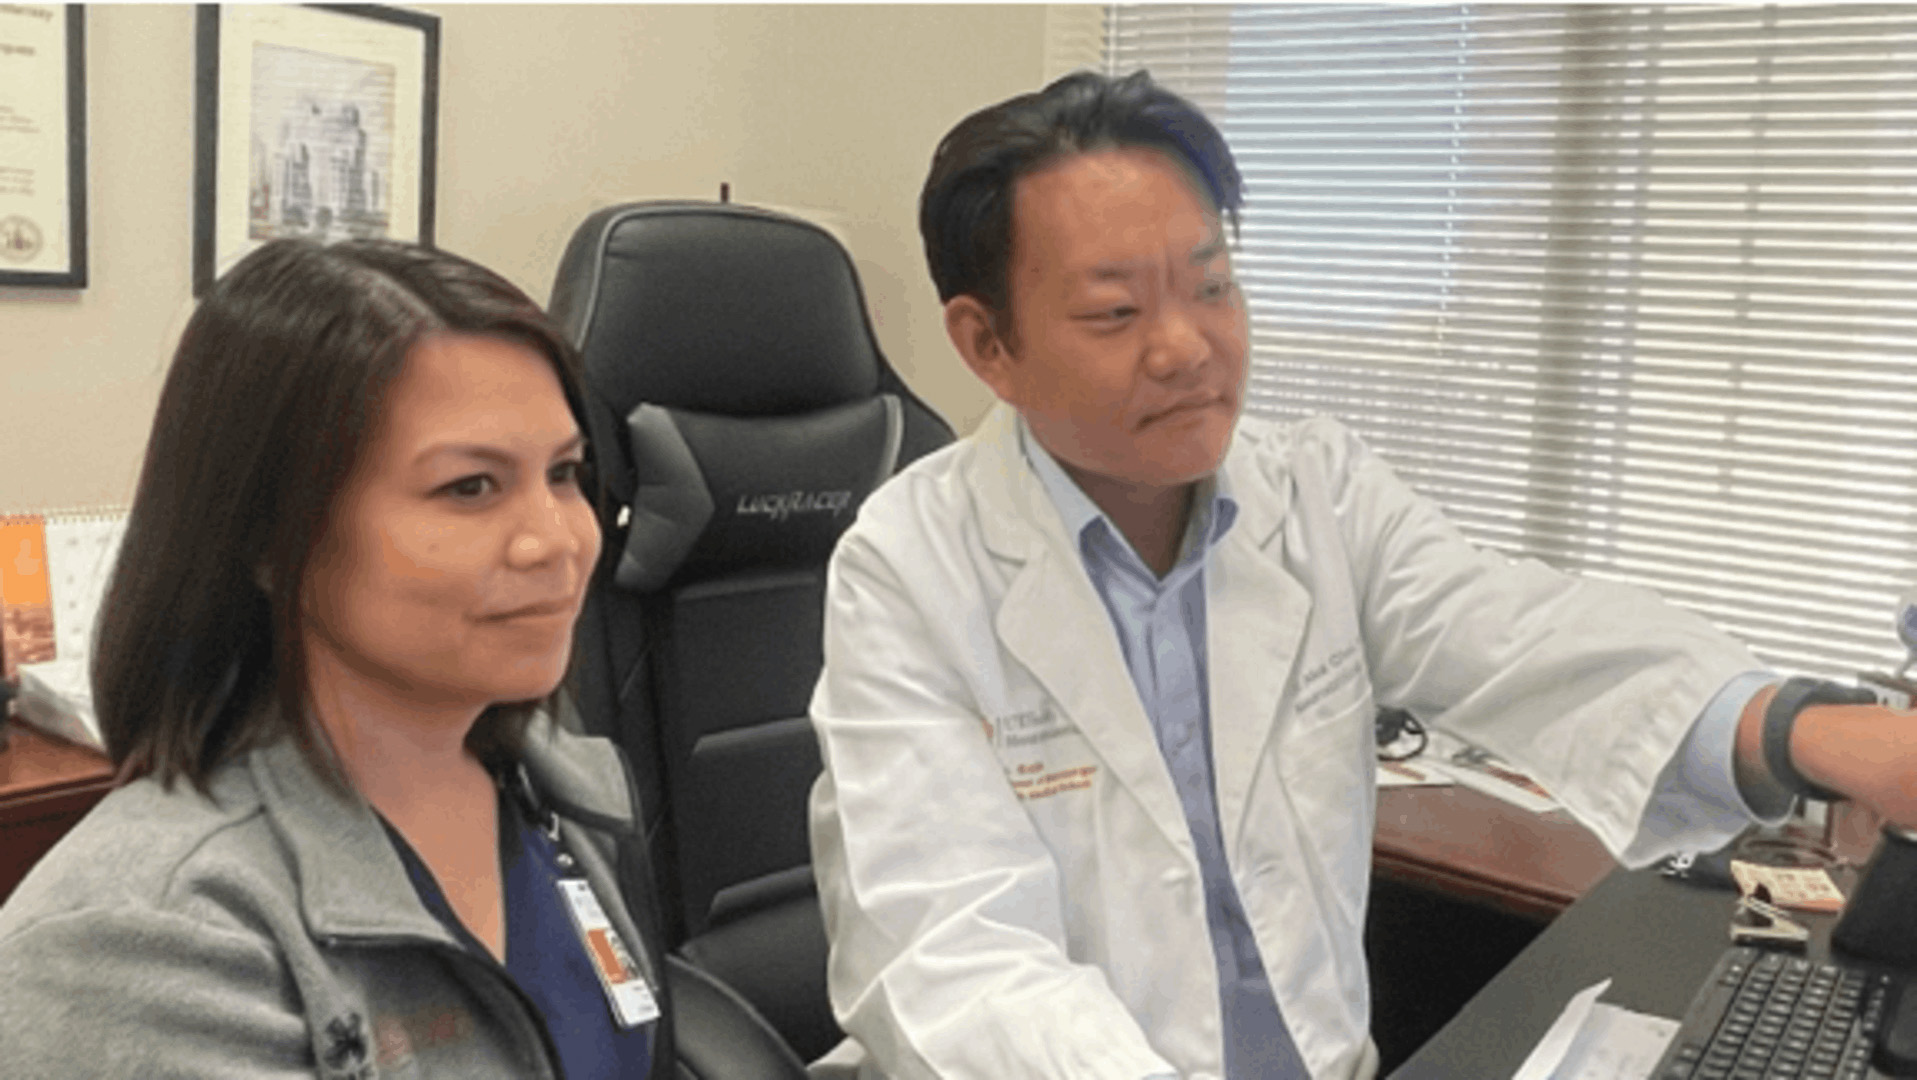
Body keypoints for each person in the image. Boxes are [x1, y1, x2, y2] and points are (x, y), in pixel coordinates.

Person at [806, 70, 1917, 1080]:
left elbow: (1521, 634)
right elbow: (954, 954)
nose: (1187, 346)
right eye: (1115, 312)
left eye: (1213, 287)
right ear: (986, 344)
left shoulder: (1314, 493)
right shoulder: (909, 570)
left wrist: (1809, 735)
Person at [0, 239, 670, 1078]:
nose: (557, 541)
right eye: (469, 487)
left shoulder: (561, 795)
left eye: (565, 473)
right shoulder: (145, 942)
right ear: (269, 538)